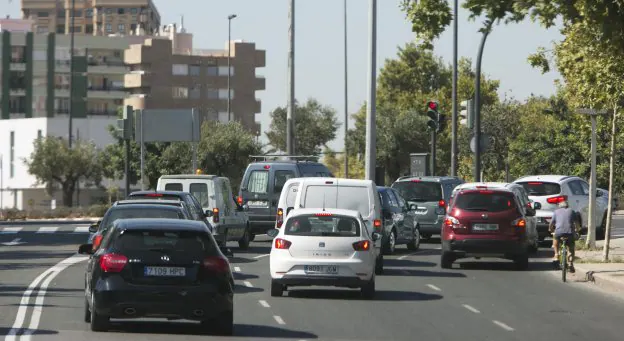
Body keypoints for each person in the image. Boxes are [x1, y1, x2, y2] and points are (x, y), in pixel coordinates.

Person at [548, 199, 578, 273]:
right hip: (570, 233)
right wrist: (577, 230)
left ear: (559, 206)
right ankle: (570, 262)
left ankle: (556, 254)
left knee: (555, 239)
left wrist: (550, 230)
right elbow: (577, 223)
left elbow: (551, 224)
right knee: (571, 247)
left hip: (559, 232)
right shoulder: (572, 211)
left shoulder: (556, 212)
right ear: (567, 206)